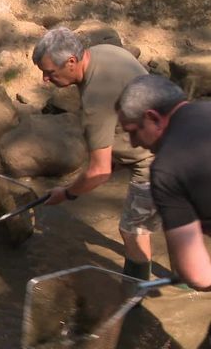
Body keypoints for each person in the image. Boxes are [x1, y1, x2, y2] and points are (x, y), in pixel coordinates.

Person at [32, 27, 160, 280]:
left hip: (156, 161)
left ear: (71, 62)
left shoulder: (96, 97)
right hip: (179, 140)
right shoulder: (106, 52)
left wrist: (67, 193)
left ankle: (134, 299)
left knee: (133, 230)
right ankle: (191, 280)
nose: (45, 79)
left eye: (49, 72)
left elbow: (100, 171)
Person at [117, 75, 211, 349]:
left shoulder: (167, 168)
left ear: (153, 118)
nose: (133, 143)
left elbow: (197, 274)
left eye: (133, 131)